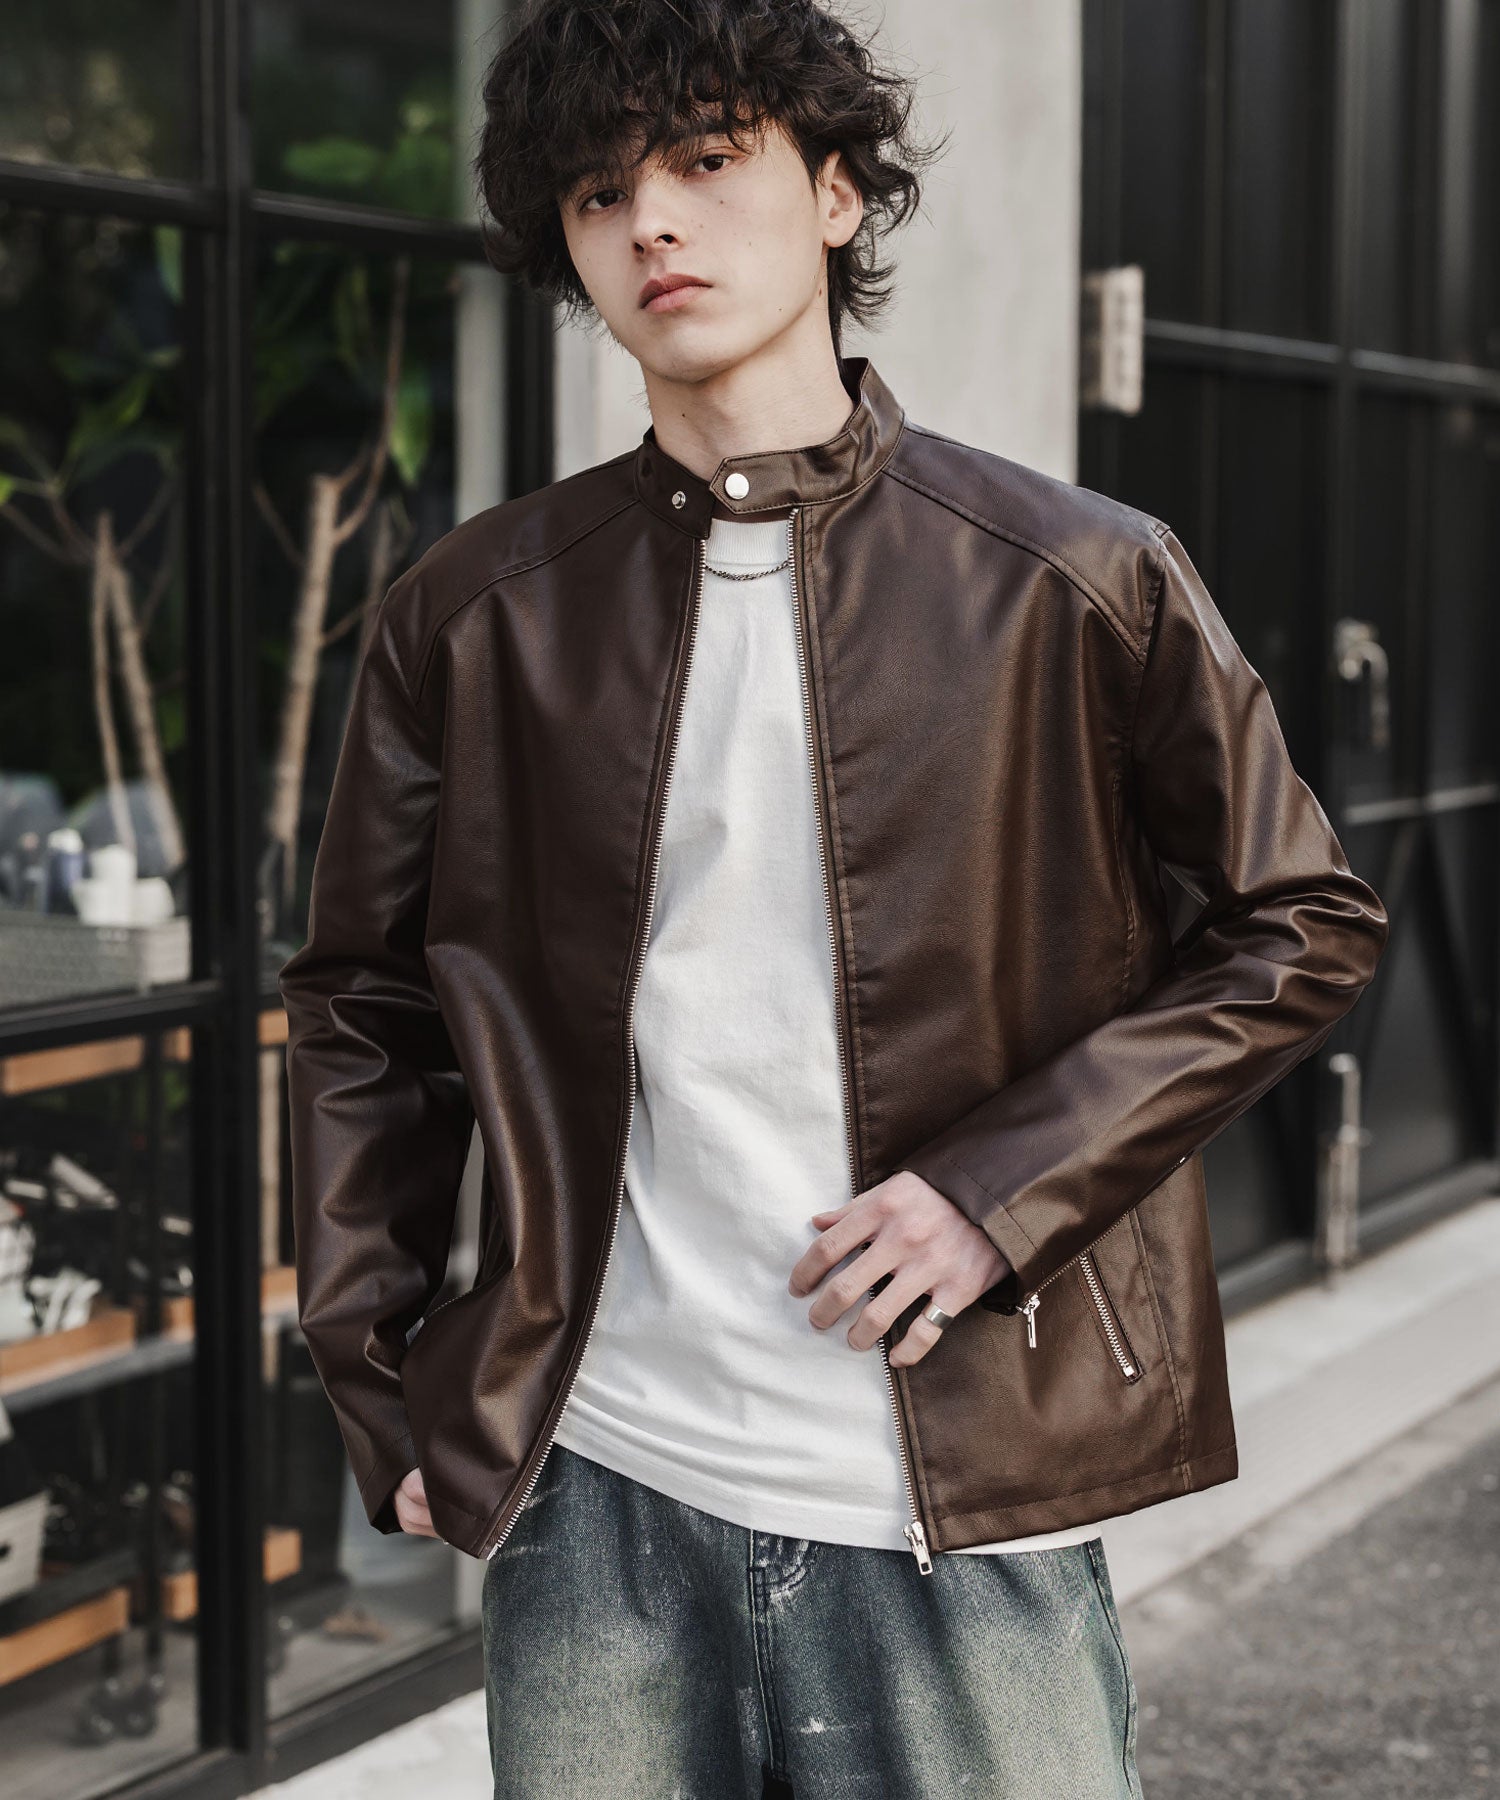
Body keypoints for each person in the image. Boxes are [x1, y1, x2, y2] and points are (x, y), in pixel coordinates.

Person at [278, 1, 1390, 1794]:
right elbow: (365, 1004)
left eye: (707, 161)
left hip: (962, 1490)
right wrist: (377, 1363)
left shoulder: (1074, 577)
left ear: (838, 194)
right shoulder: (476, 617)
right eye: (597, 193)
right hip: (601, 1482)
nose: (651, 220)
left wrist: (994, 1194)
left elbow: (1303, 921)